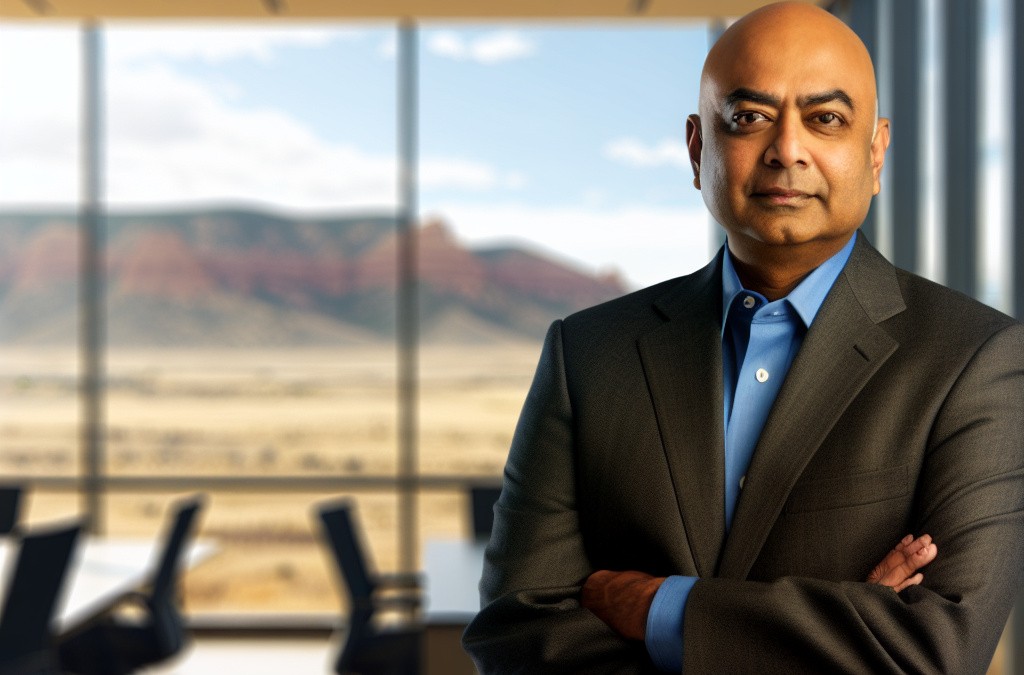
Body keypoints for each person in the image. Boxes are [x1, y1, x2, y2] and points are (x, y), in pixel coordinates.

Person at [461, 2, 1024, 673]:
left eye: (826, 119)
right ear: (699, 149)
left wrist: (660, 608)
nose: (787, 149)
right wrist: (838, 628)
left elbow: (935, 651)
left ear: (875, 153)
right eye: (750, 118)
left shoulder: (976, 359)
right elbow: (516, 634)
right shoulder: (587, 355)